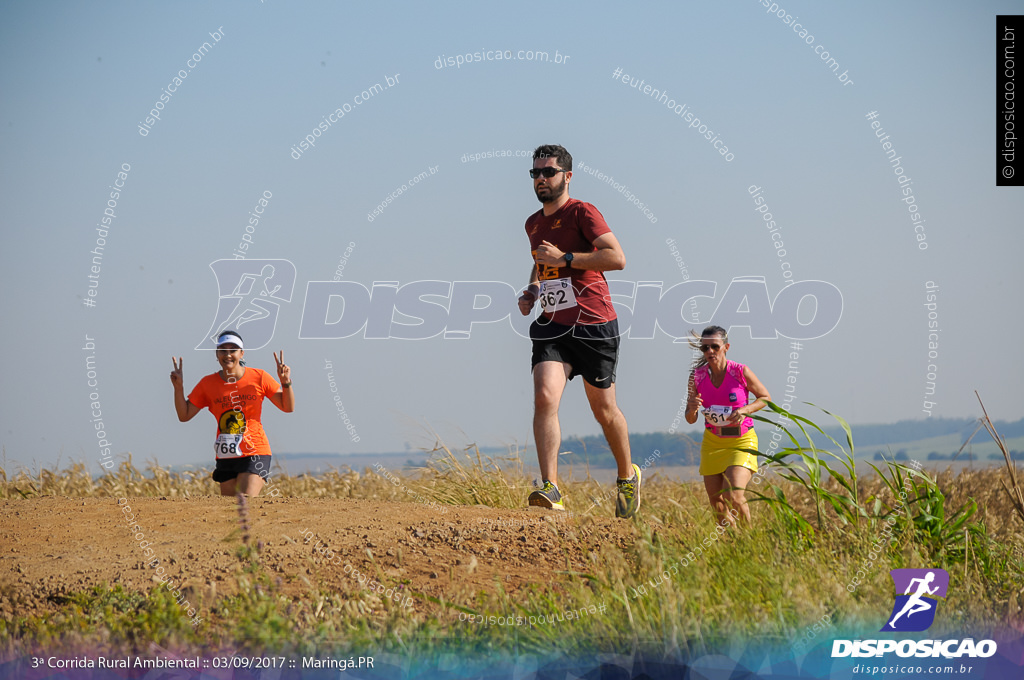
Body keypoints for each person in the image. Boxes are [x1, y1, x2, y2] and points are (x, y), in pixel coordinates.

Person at [517, 144, 641, 518]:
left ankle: (626, 476)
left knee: (604, 410)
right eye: (535, 173)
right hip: (553, 325)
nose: (541, 179)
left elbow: (616, 258)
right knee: (544, 396)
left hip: (594, 324)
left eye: (548, 172)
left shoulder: (582, 213)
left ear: (566, 176)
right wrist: (534, 289)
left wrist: (567, 258)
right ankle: (550, 487)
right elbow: (542, 263)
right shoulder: (532, 223)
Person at [170, 330, 294, 497]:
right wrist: (179, 388)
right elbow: (184, 415)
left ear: (241, 353)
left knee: (244, 500)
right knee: (229, 510)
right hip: (226, 455)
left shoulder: (259, 377)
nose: (228, 355)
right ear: (217, 354)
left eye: (233, 350)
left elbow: (288, 407)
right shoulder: (207, 383)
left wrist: (286, 383)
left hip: (255, 451)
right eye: (223, 350)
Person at [684, 326, 770, 525]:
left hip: (741, 441)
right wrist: (692, 408)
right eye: (705, 348)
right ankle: (732, 544)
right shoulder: (696, 376)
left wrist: (744, 410)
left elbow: (765, 398)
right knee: (717, 503)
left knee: (734, 496)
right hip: (713, 442)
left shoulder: (740, 372)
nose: (710, 352)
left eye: (715, 346)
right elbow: (690, 419)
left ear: (726, 347)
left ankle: (750, 542)